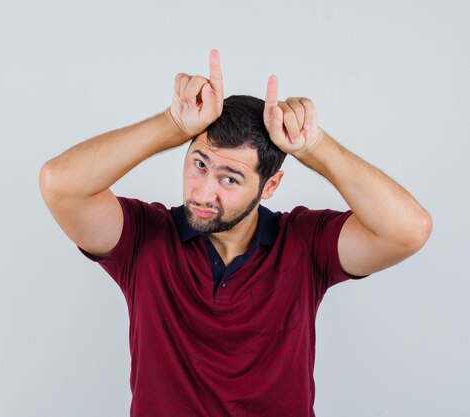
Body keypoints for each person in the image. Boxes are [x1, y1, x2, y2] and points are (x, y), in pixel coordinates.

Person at [39, 49, 432, 417]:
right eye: (199, 164)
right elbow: (60, 185)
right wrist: (172, 124)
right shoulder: (144, 238)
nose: (203, 191)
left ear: (270, 187)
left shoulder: (305, 243)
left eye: (230, 178)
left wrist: (314, 146)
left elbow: (408, 230)